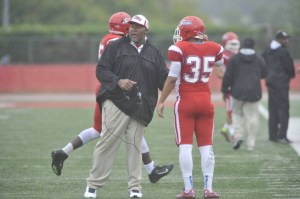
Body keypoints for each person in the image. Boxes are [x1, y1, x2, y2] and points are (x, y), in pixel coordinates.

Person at [51, 12, 173, 184]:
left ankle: (63, 152)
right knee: (128, 127)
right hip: (114, 90)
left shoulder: (108, 39)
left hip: (108, 86)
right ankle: (150, 169)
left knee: (101, 129)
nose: (131, 29)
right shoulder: (117, 43)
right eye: (129, 25)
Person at [84, 14, 169, 199]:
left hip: (141, 106)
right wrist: (118, 81)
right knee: (107, 143)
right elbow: (101, 70)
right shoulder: (115, 46)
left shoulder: (154, 51)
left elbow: (163, 79)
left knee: (135, 147)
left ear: (146, 29)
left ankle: (134, 188)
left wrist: (174, 81)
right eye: (131, 26)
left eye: (137, 27)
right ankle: (93, 185)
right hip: (116, 102)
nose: (133, 29)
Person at [157, 16, 223, 199]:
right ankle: (208, 189)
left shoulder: (178, 48)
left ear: (186, 30)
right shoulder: (215, 47)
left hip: (186, 101)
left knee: (185, 146)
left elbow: (171, 78)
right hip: (205, 101)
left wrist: (161, 100)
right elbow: (219, 65)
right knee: (206, 146)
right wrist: (204, 44)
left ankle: (189, 189)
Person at [222, 38, 267, 151]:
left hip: (237, 91)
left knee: (237, 114)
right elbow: (264, 74)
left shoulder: (234, 58)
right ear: (253, 46)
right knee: (252, 117)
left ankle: (238, 135)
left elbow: (228, 76)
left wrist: (224, 90)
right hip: (254, 91)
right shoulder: (259, 59)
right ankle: (251, 143)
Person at [262, 31, 295, 143]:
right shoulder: (283, 51)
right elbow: (289, 67)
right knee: (283, 109)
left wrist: (267, 74)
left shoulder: (268, 49)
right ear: (279, 40)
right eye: (284, 39)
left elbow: (262, 61)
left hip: (271, 82)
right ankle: (282, 135)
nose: (286, 40)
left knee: (273, 109)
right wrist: (291, 75)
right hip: (281, 83)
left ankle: (273, 135)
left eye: (286, 38)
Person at [215, 32, 240, 142]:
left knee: (236, 110)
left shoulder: (239, 54)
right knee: (231, 111)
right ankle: (233, 134)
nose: (234, 46)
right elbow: (219, 73)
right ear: (225, 43)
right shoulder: (223, 56)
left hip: (238, 87)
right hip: (229, 88)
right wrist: (230, 78)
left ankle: (226, 128)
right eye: (231, 43)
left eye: (235, 43)